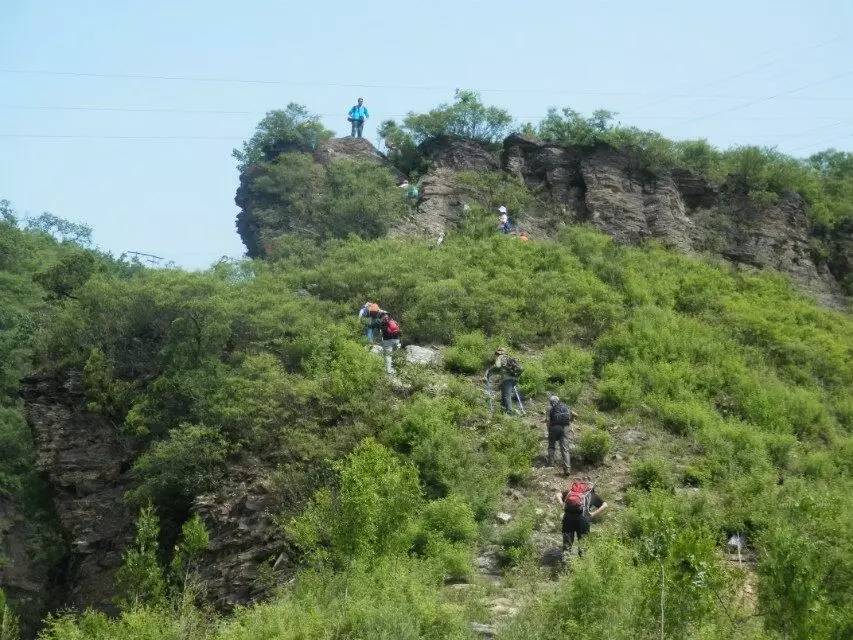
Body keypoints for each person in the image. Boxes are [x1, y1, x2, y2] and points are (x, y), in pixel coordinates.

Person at [556, 477, 607, 556]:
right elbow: (605, 505)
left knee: (567, 547)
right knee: (583, 547)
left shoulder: (570, 492)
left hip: (568, 518)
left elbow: (558, 494)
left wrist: (562, 504)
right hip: (583, 519)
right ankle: (582, 564)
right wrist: (593, 514)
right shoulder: (591, 495)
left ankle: (565, 564)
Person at [485, 348, 523, 414]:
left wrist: (489, 372)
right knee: (504, 394)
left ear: (498, 354)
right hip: (514, 378)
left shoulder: (500, 357)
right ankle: (503, 411)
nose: (495, 356)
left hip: (507, 379)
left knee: (506, 395)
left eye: (496, 355)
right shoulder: (509, 358)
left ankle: (509, 411)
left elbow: (497, 366)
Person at [547, 395, 577, 475]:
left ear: (551, 402)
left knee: (551, 445)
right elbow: (574, 415)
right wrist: (569, 423)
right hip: (565, 428)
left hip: (554, 428)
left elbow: (548, 421)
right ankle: (567, 469)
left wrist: (549, 430)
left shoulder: (550, 408)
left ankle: (551, 464)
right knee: (565, 449)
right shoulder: (566, 406)